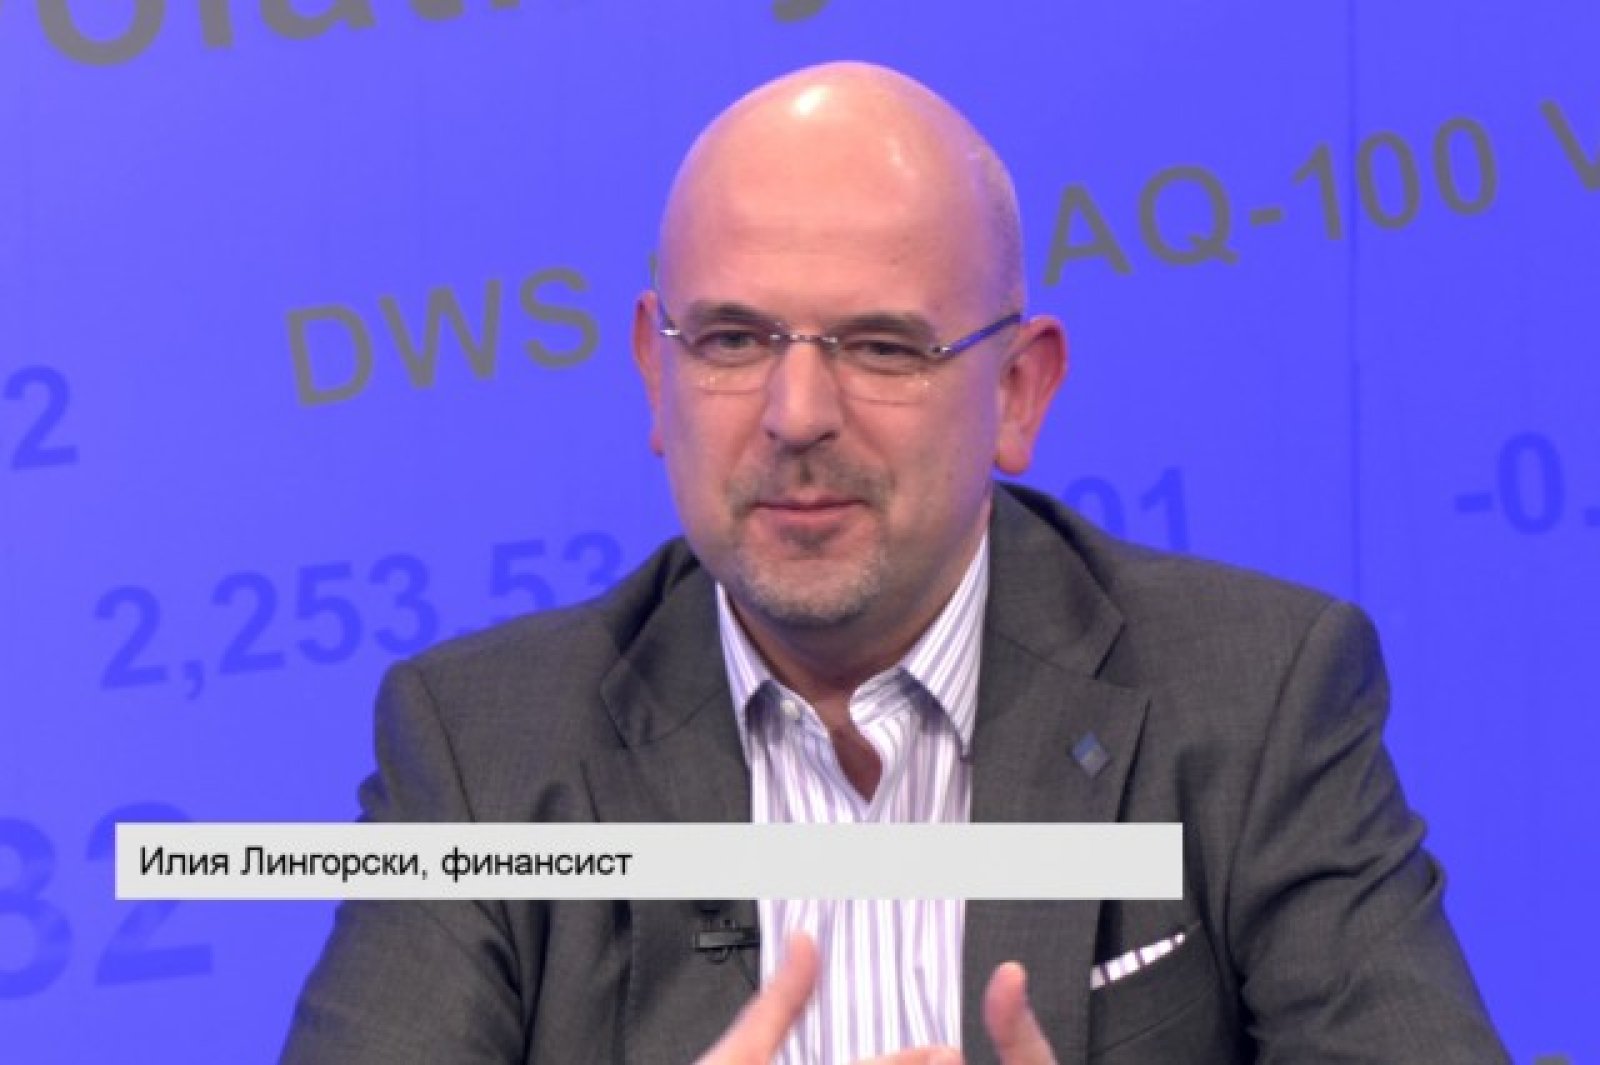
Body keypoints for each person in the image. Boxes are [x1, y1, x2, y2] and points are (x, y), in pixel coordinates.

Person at [282, 62, 1507, 1064]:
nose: (796, 414)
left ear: (1017, 391)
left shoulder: (1254, 700)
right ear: (656, 376)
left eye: (880, 346)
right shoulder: (484, 752)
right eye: (733, 339)